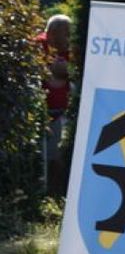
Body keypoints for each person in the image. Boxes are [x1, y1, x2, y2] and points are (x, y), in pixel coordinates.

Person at [39, 14, 71, 195]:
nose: (69, 38)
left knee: (58, 156)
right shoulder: (38, 46)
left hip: (62, 113)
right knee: (44, 156)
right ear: (52, 33)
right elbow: (55, 75)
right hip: (40, 114)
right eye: (66, 33)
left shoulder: (70, 50)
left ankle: (56, 193)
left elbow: (63, 74)